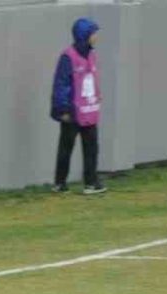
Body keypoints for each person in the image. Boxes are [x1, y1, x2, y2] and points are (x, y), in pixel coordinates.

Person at [50, 17, 106, 195]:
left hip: (89, 110)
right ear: (84, 35)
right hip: (72, 111)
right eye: (93, 34)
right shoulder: (68, 57)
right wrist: (63, 109)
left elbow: (92, 79)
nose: (96, 37)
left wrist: (97, 96)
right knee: (66, 147)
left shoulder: (91, 55)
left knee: (92, 148)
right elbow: (61, 84)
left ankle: (91, 182)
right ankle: (60, 183)